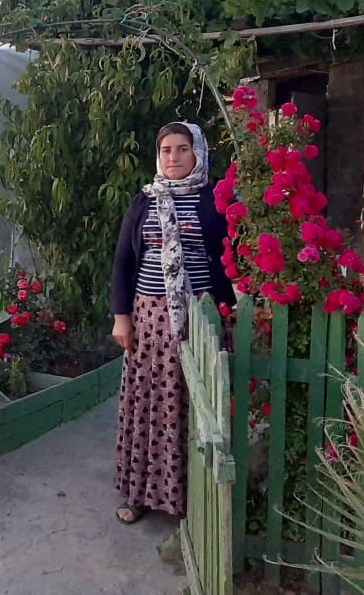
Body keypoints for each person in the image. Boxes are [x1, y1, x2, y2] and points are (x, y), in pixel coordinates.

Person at [109, 121, 235, 524]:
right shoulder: (144, 201)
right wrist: (121, 317)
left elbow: (229, 257)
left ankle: (189, 499)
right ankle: (140, 495)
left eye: (182, 149)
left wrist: (227, 312)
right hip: (147, 319)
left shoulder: (213, 201)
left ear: (197, 152)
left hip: (197, 320)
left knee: (189, 402)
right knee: (146, 403)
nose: (174, 157)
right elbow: (123, 262)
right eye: (166, 150)